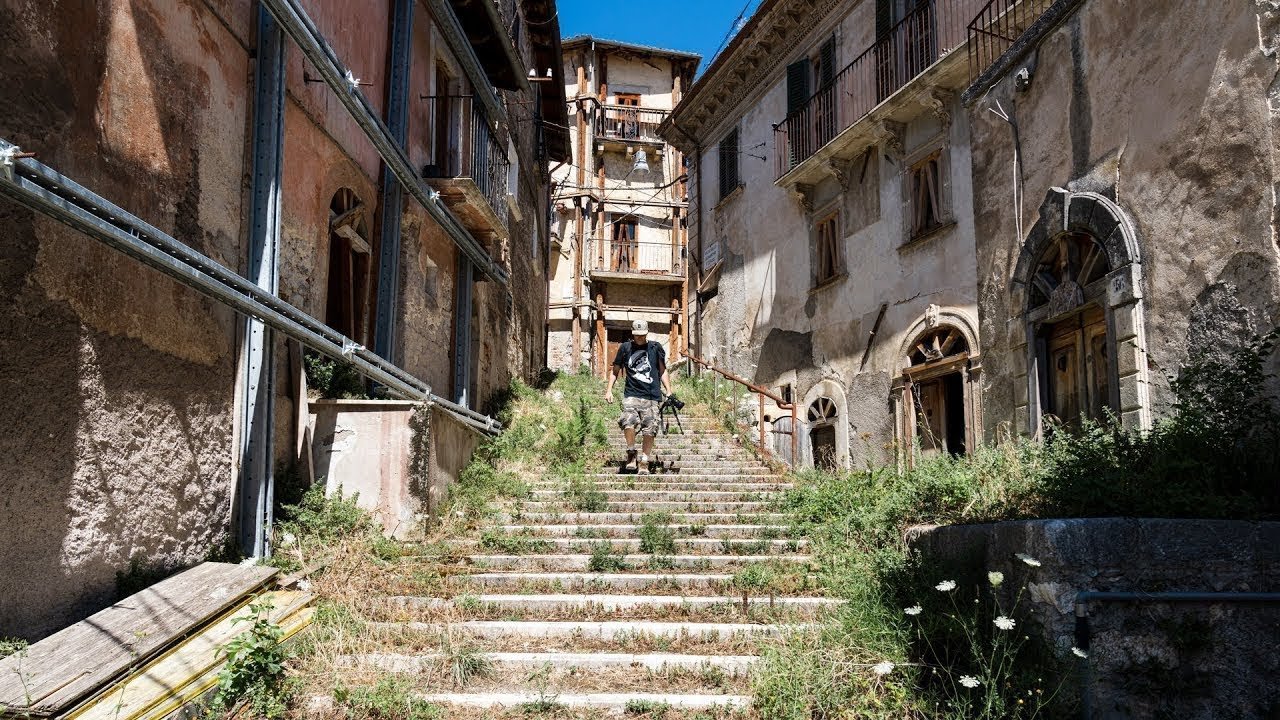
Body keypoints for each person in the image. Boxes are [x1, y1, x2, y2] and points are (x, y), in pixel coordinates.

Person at [604, 320, 671, 474]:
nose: (639, 338)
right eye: (636, 335)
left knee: (650, 428)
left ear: (647, 333)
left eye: (642, 335)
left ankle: (644, 461)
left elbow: (662, 371)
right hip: (631, 394)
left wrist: (669, 390)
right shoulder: (625, 348)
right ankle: (631, 452)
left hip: (651, 395)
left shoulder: (655, 347)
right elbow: (615, 371)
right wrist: (609, 390)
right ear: (632, 334)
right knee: (628, 421)